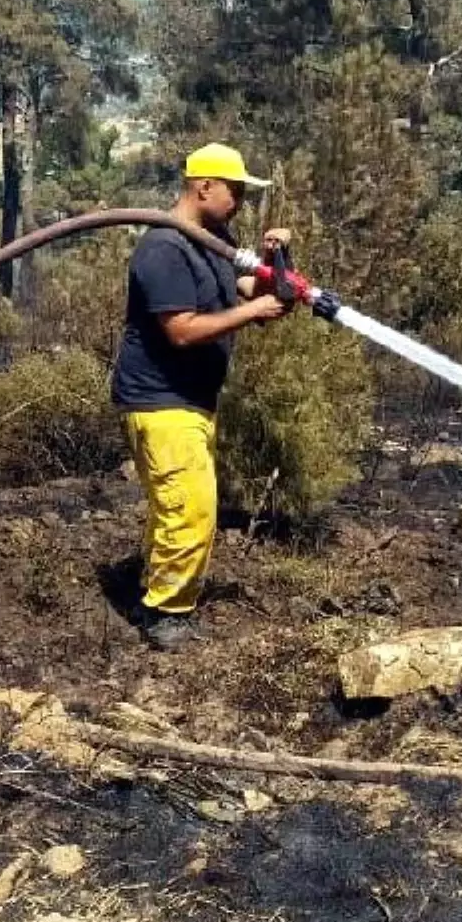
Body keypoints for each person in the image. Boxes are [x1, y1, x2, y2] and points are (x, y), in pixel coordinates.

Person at [111, 143, 292, 650]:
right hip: (159, 399)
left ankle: (152, 588)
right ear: (203, 186)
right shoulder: (164, 248)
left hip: (190, 399)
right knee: (191, 508)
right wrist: (252, 315)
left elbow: (256, 292)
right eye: (235, 191)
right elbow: (183, 330)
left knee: (176, 505)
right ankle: (163, 613)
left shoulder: (212, 240)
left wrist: (278, 261)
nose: (240, 202)